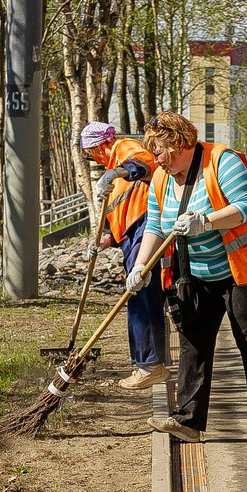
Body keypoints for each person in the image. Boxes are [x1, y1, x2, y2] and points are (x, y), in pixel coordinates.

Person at [134, 111, 247, 448]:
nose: (155, 160)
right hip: (195, 273)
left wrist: (206, 221)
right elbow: (156, 226)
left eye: (159, 151)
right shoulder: (161, 178)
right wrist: (140, 267)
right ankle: (188, 422)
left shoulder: (221, 162)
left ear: (179, 143)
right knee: (193, 342)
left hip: (244, 269)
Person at [83, 120, 166, 389]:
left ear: (102, 143)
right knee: (138, 297)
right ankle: (147, 365)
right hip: (132, 236)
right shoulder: (113, 168)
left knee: (142, 296)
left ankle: (151, 365)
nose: (93, 159)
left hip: (146, 228)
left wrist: (116, 173)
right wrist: (106, 240)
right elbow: (122, 212)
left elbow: (144, 163)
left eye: (92, 152)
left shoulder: (124, 147)